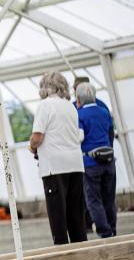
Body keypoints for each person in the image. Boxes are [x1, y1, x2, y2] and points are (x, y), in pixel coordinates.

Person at [29, 72, 87, 245]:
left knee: (58, 215)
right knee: (76, 214)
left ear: (44, 87)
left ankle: (62, 253)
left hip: (54, 166)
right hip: (75, 164)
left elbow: (37, 136)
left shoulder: (45, 106)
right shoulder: (70, 107)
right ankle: (82, 251)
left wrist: (31, 147)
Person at [76, 82, 117, 238]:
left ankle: (104, 232)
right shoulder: (104, 112)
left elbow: (79, 137)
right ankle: (113, 229)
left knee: (94, 199)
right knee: (109, 198)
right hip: (109, 160)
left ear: (78, 99)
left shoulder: (79, 114)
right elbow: (110, 134)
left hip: (91, 163)